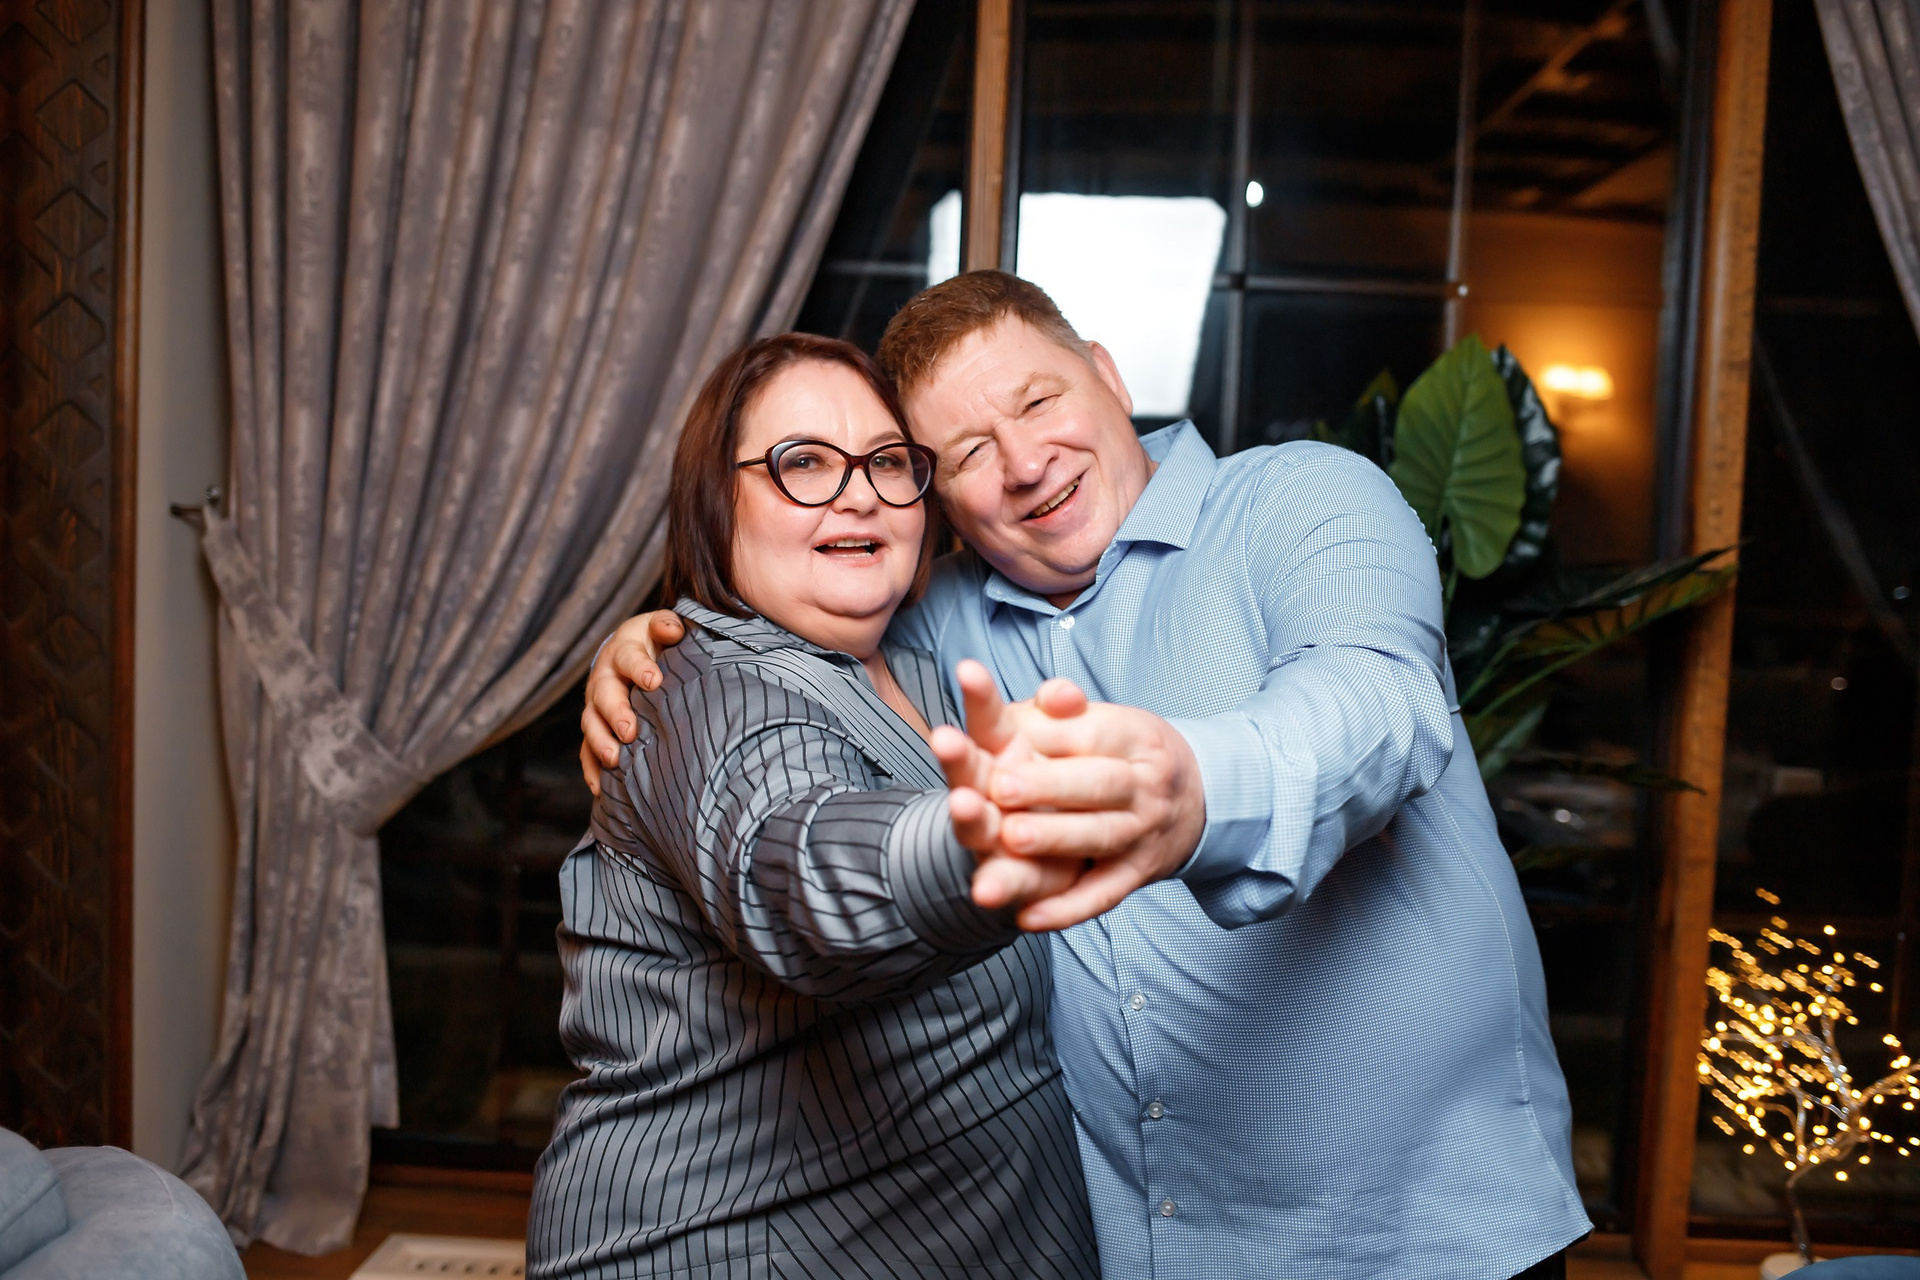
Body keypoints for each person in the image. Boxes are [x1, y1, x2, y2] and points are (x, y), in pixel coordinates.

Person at [583, 272, 1594, 1280]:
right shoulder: (932, 622)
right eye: (969, 453)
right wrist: (663, 639)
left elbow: (1376, 701)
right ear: (941, 498)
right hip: (1160, 1256)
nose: (1026, 464)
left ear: (1107, 376)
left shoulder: (1299, 499)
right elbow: (780, 656)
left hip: (1423, 1242)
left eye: (1038, 401)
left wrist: (1195, 788)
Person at [528, 333, 1098, 1280]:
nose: (859, 493)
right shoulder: (696, 690)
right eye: (803, 463)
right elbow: (792, 864)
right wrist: (986, 843)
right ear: (718, 502)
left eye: (887, 462)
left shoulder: (928, 669)